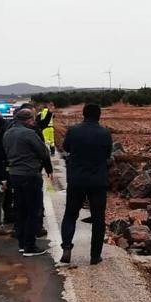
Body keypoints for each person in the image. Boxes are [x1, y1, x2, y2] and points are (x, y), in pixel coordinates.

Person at [60, 103, 112, 265]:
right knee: (98, 219)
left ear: (83, 114)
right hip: (97, 181)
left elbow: (66, 147)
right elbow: (108, 154)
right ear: (99, 115)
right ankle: (95, 256)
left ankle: (67, 247)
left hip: (76, 180)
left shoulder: (73, 131)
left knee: (70, 214)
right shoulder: (105, 133)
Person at [3, 109, 53, 256]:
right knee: (33, 210)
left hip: (15, 175)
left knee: (20, 209)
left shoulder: (8, 133)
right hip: (30, 174)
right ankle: (30, 246)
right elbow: (43, 152)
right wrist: (47, 167)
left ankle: (22, 243)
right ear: (29, 120)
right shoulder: (29, 133)